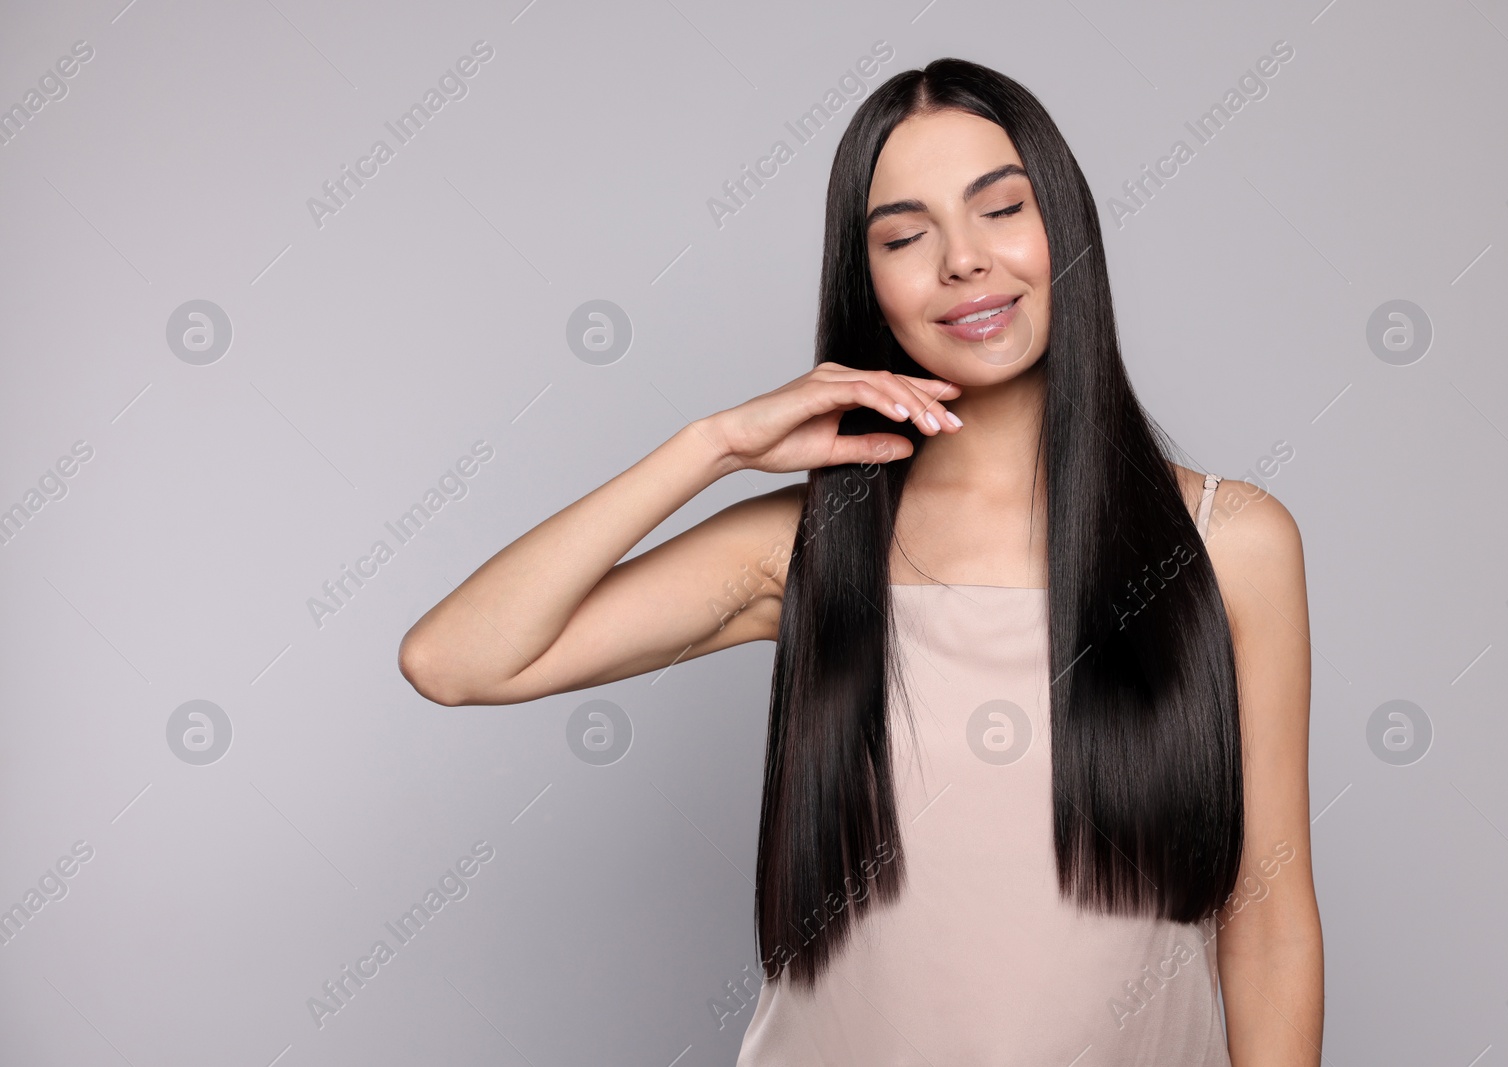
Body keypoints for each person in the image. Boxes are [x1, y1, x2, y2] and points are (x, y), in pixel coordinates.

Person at [399, 57, 1321, 1066]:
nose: (962, 262)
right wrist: (713, 444)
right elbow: (456, 659)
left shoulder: (1230, 543)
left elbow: (1267, 918)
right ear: (868, 282)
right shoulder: (808, 545)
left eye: (999, 209)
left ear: (1066, 227)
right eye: (903, 236)